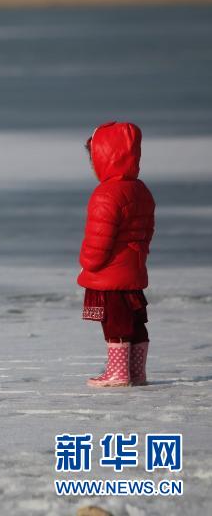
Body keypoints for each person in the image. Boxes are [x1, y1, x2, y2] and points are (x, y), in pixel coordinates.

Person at [78, 122, 155, 387]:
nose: (92, 165)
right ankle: (136, 372)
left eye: (93, 158)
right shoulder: (140, 190)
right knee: (134, 322)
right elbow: (147, 232)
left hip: (110, 274)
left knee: (115, 324)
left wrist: (87, 263)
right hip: (132, 270)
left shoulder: (106, 194)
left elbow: (98, 239)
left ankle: (119, 373)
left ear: (105, 157)